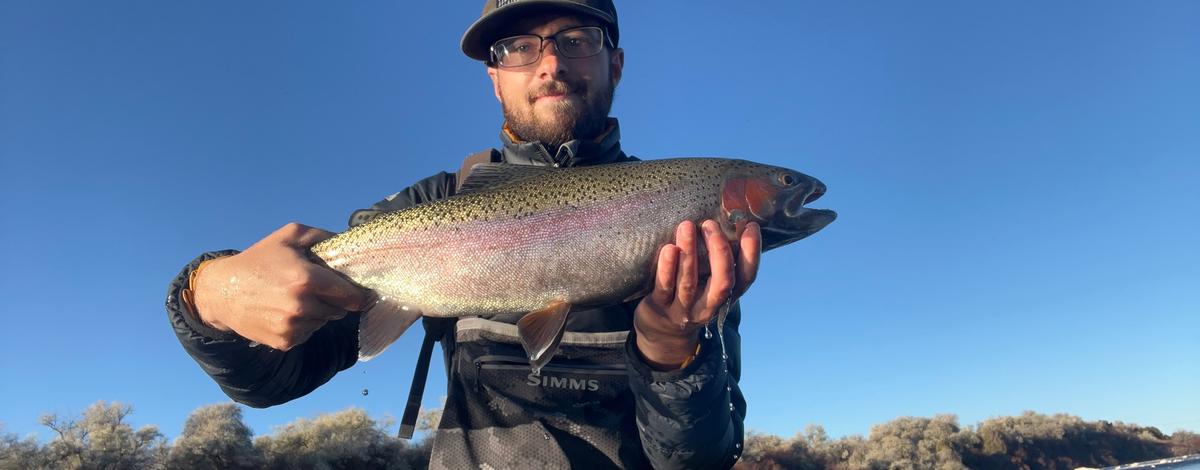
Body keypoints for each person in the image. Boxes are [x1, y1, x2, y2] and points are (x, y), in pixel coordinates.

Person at [166, 1, 782, 467]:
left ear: (614, 62)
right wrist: (208, 294)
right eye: (518, 46)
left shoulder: (691, 234)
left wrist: (672, 347)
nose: (551, 63)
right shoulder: (433, 205)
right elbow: (273, 381)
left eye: (576, 39)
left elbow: (701, 458)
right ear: (494, 76)